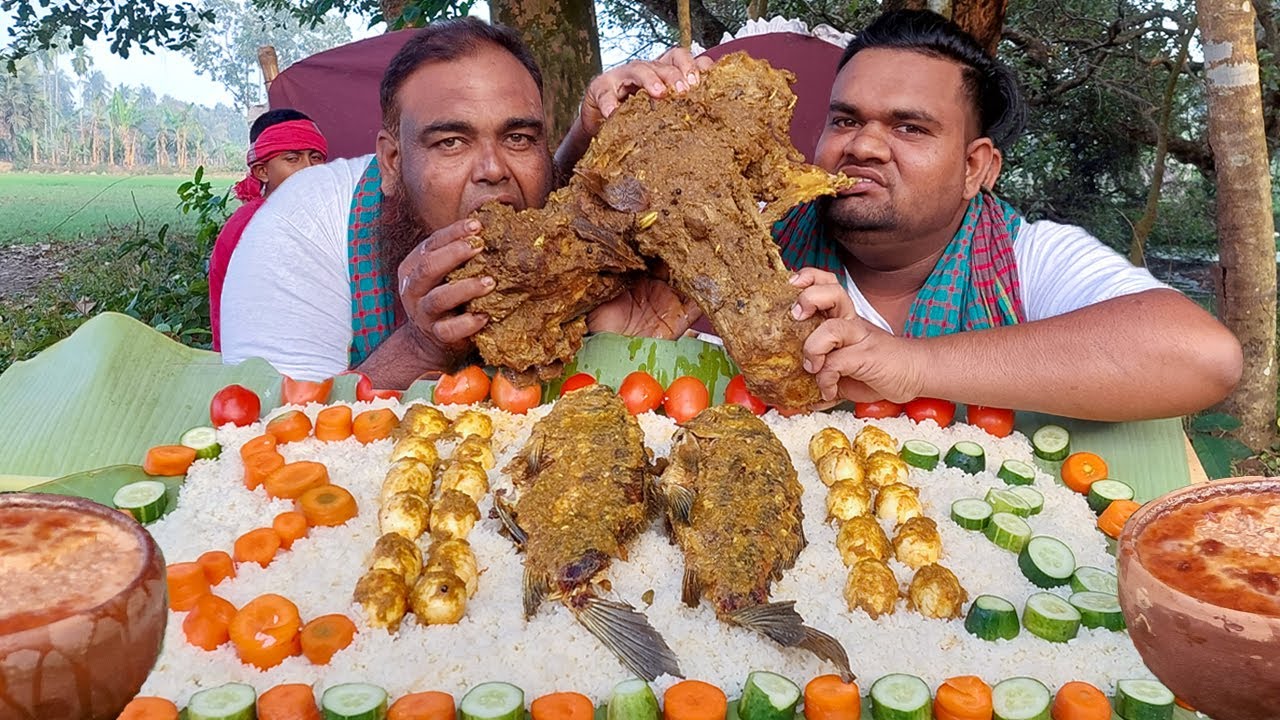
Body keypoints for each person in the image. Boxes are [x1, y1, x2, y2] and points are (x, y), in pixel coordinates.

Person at [783, 9, 1241, 421]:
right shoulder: (753, 234)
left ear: (974, 167)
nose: (862, 146)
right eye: (845, 121)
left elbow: (1203, 356)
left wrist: (910, 364)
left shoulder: (1028, 258)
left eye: (910, 128)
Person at [219, 18, 709, 386]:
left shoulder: (569, 235)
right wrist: (421, 346)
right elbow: (269, 444)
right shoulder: (299, 227)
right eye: (451, 142)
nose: (493, 169)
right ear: (391, 162)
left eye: (519, 137)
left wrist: (609, 349)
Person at [209, 109, 328, 350]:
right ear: (262, 171)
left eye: (315, 157)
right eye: (292, 159)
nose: (309, 169)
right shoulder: (252, 226)